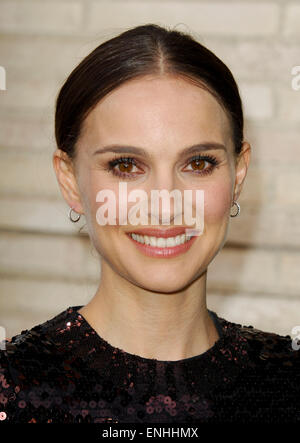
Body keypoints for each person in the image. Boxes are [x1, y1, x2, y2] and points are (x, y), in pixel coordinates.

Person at [0, 23, 299, 424]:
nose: (164, 205)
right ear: (70, 180)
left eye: (197, 164)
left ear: (238, 175)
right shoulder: (12, 388)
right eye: (125, 166)